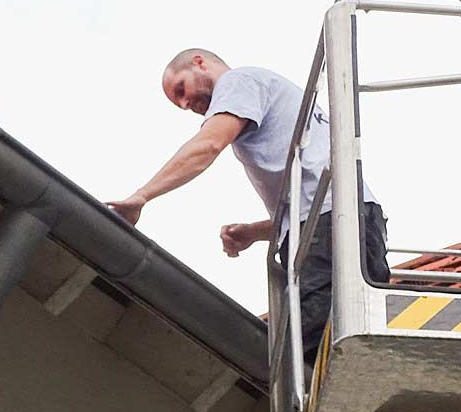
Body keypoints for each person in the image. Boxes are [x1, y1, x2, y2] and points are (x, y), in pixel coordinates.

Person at [108, 48, 390, 361]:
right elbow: (305, 200)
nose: (186, 105)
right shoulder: (268, 95)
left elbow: (207, 145)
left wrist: (142, 196)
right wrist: (252, 233)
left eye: (181, 90)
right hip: (346, 218)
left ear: (199, 63)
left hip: (329, 225)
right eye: (180, 104)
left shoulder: (237, 81)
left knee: (307, 349)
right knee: (347, 340)